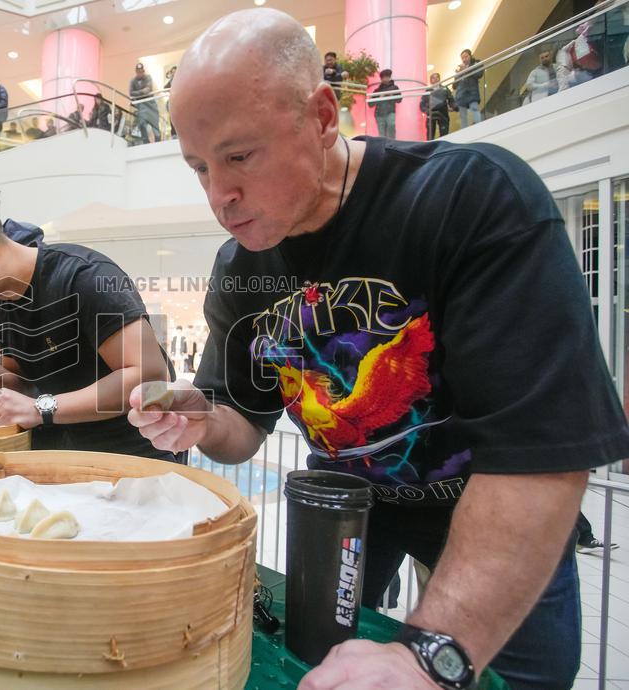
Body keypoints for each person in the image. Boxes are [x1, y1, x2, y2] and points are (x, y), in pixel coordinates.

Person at [130, 9, 629, 690]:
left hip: (487, 508)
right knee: (319, 661)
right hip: (350, 509)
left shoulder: (469, 197)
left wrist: (432, 654)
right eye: (198, 168)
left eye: (239, 155)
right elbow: (241, 424)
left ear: (323, 115)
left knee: (518, 677)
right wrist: (202, 418)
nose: (220, 194)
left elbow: (542, 455)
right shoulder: (240, 267)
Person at [0, 179, 178, 461]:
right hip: (62, 457)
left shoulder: (83, 276)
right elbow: (23, 385)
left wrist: (41, 408)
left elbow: (149, 375)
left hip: (133, 457)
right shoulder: (2, 300)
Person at [129, 62, 160, 143]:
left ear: (143, 71)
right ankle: (146, 142)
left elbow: (148, 89)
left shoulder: (148, 77)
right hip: (141, 106)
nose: (139, 73)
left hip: (151, 105)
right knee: (142, 124)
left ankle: (158, 142)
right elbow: (131, 93)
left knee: (155, 128)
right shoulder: (133, 81)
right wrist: (142, 91)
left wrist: (138, 93)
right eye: (138, 71)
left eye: (141, 71)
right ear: (136, 71)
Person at [454, 49, 483, 128]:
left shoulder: (476, 63)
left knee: (474, 108)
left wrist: (466, 70)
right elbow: (454, 86)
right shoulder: (460, 69)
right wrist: (457, 75)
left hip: (471, 91)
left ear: (470, 56)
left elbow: (479, 74)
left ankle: (479, 126)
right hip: (461, 94)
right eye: (462, 58)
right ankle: (464, 132)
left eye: (466, 56)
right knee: (462, 115)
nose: (464, 59)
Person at [419, 72, 453, 140]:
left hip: (443, 113)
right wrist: (426, 111)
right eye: (433, 78)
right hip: (431, 114)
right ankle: (430, 148)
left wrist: (454, 106)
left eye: (437, 77)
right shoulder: (427, 91)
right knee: (430, 135)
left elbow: (451, 99)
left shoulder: (445, 89)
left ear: (439, 79)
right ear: (431, 80)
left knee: (444, 134)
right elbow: (422, 104)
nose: (435, 79)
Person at [369, 68, 401, 139]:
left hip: (390, 112)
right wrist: (380, 97)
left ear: (390, 77)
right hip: (379, 114)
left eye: (387, 76)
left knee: (391, 126)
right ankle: (383, 147)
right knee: (382, 134)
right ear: (381, 79)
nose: (386, 79)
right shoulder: (377, 90)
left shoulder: (395, 88)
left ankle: (392, 145)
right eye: (384, 77)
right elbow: (370, 104)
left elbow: (399, 99)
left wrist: (391, 96)